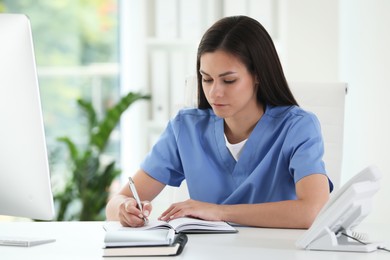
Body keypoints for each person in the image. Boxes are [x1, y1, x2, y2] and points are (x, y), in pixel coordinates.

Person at [106, 15, 332, 229]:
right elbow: (118, 201)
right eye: (206, 79)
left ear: (258, 75)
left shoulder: (298, 127)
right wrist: (125, 209)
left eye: (229, 80)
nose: (214, 92)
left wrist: (220, 212)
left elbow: (313, 210)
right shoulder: (185, 128)